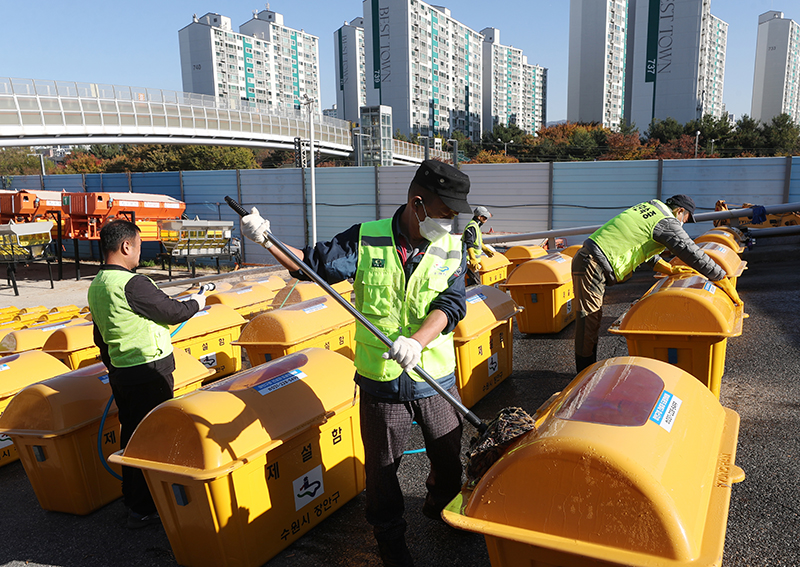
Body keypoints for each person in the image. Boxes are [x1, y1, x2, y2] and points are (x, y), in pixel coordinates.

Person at [241, 160, 471, 567]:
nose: (450, 223)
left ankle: (440, 505)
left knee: (450, 463)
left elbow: (452, 304)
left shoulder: (451, 247)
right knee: (382, 475)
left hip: (434, 377)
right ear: (417, 204)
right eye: (444, 213)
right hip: (381, 382)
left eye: (455, 215)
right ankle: (390, 542)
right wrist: (266, 239)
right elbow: (310, 265)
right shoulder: (367, 240)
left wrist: (417, 342)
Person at [88, 220, 205, 529]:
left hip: (123, 373)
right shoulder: (133, 283)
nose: (140, 253)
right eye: (139, 246)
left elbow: (100, 335)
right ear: (126, 246)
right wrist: (198, 302)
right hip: (148, 372)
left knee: (133, 435)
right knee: (155, 436)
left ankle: (135, 499)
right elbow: (171, 311)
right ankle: (147, 506)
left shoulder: (98, 283)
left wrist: (113, 366)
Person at [571, 194, 741, 373]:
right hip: (591, 263)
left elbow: (640, 244)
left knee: (591, 320)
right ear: (680, 211)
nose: (683, 224)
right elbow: (692, 253)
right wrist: (721, 278)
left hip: (590, 260)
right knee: (588, 320)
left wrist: (668, 268)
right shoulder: (667, 221)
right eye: (686, 219)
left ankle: (586, 371)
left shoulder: (652, 209)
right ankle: (584, 374)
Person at [462, 205, 495, 286]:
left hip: (472, 260)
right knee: (476, 283)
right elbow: (469, 244)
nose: (486, 220)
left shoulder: (476, 226)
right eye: (485, 218)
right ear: (479, 217)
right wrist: (472, 259)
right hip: (469, 260)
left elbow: (477, 242)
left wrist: (485, 249)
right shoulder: (472, 227)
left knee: (475, 282)